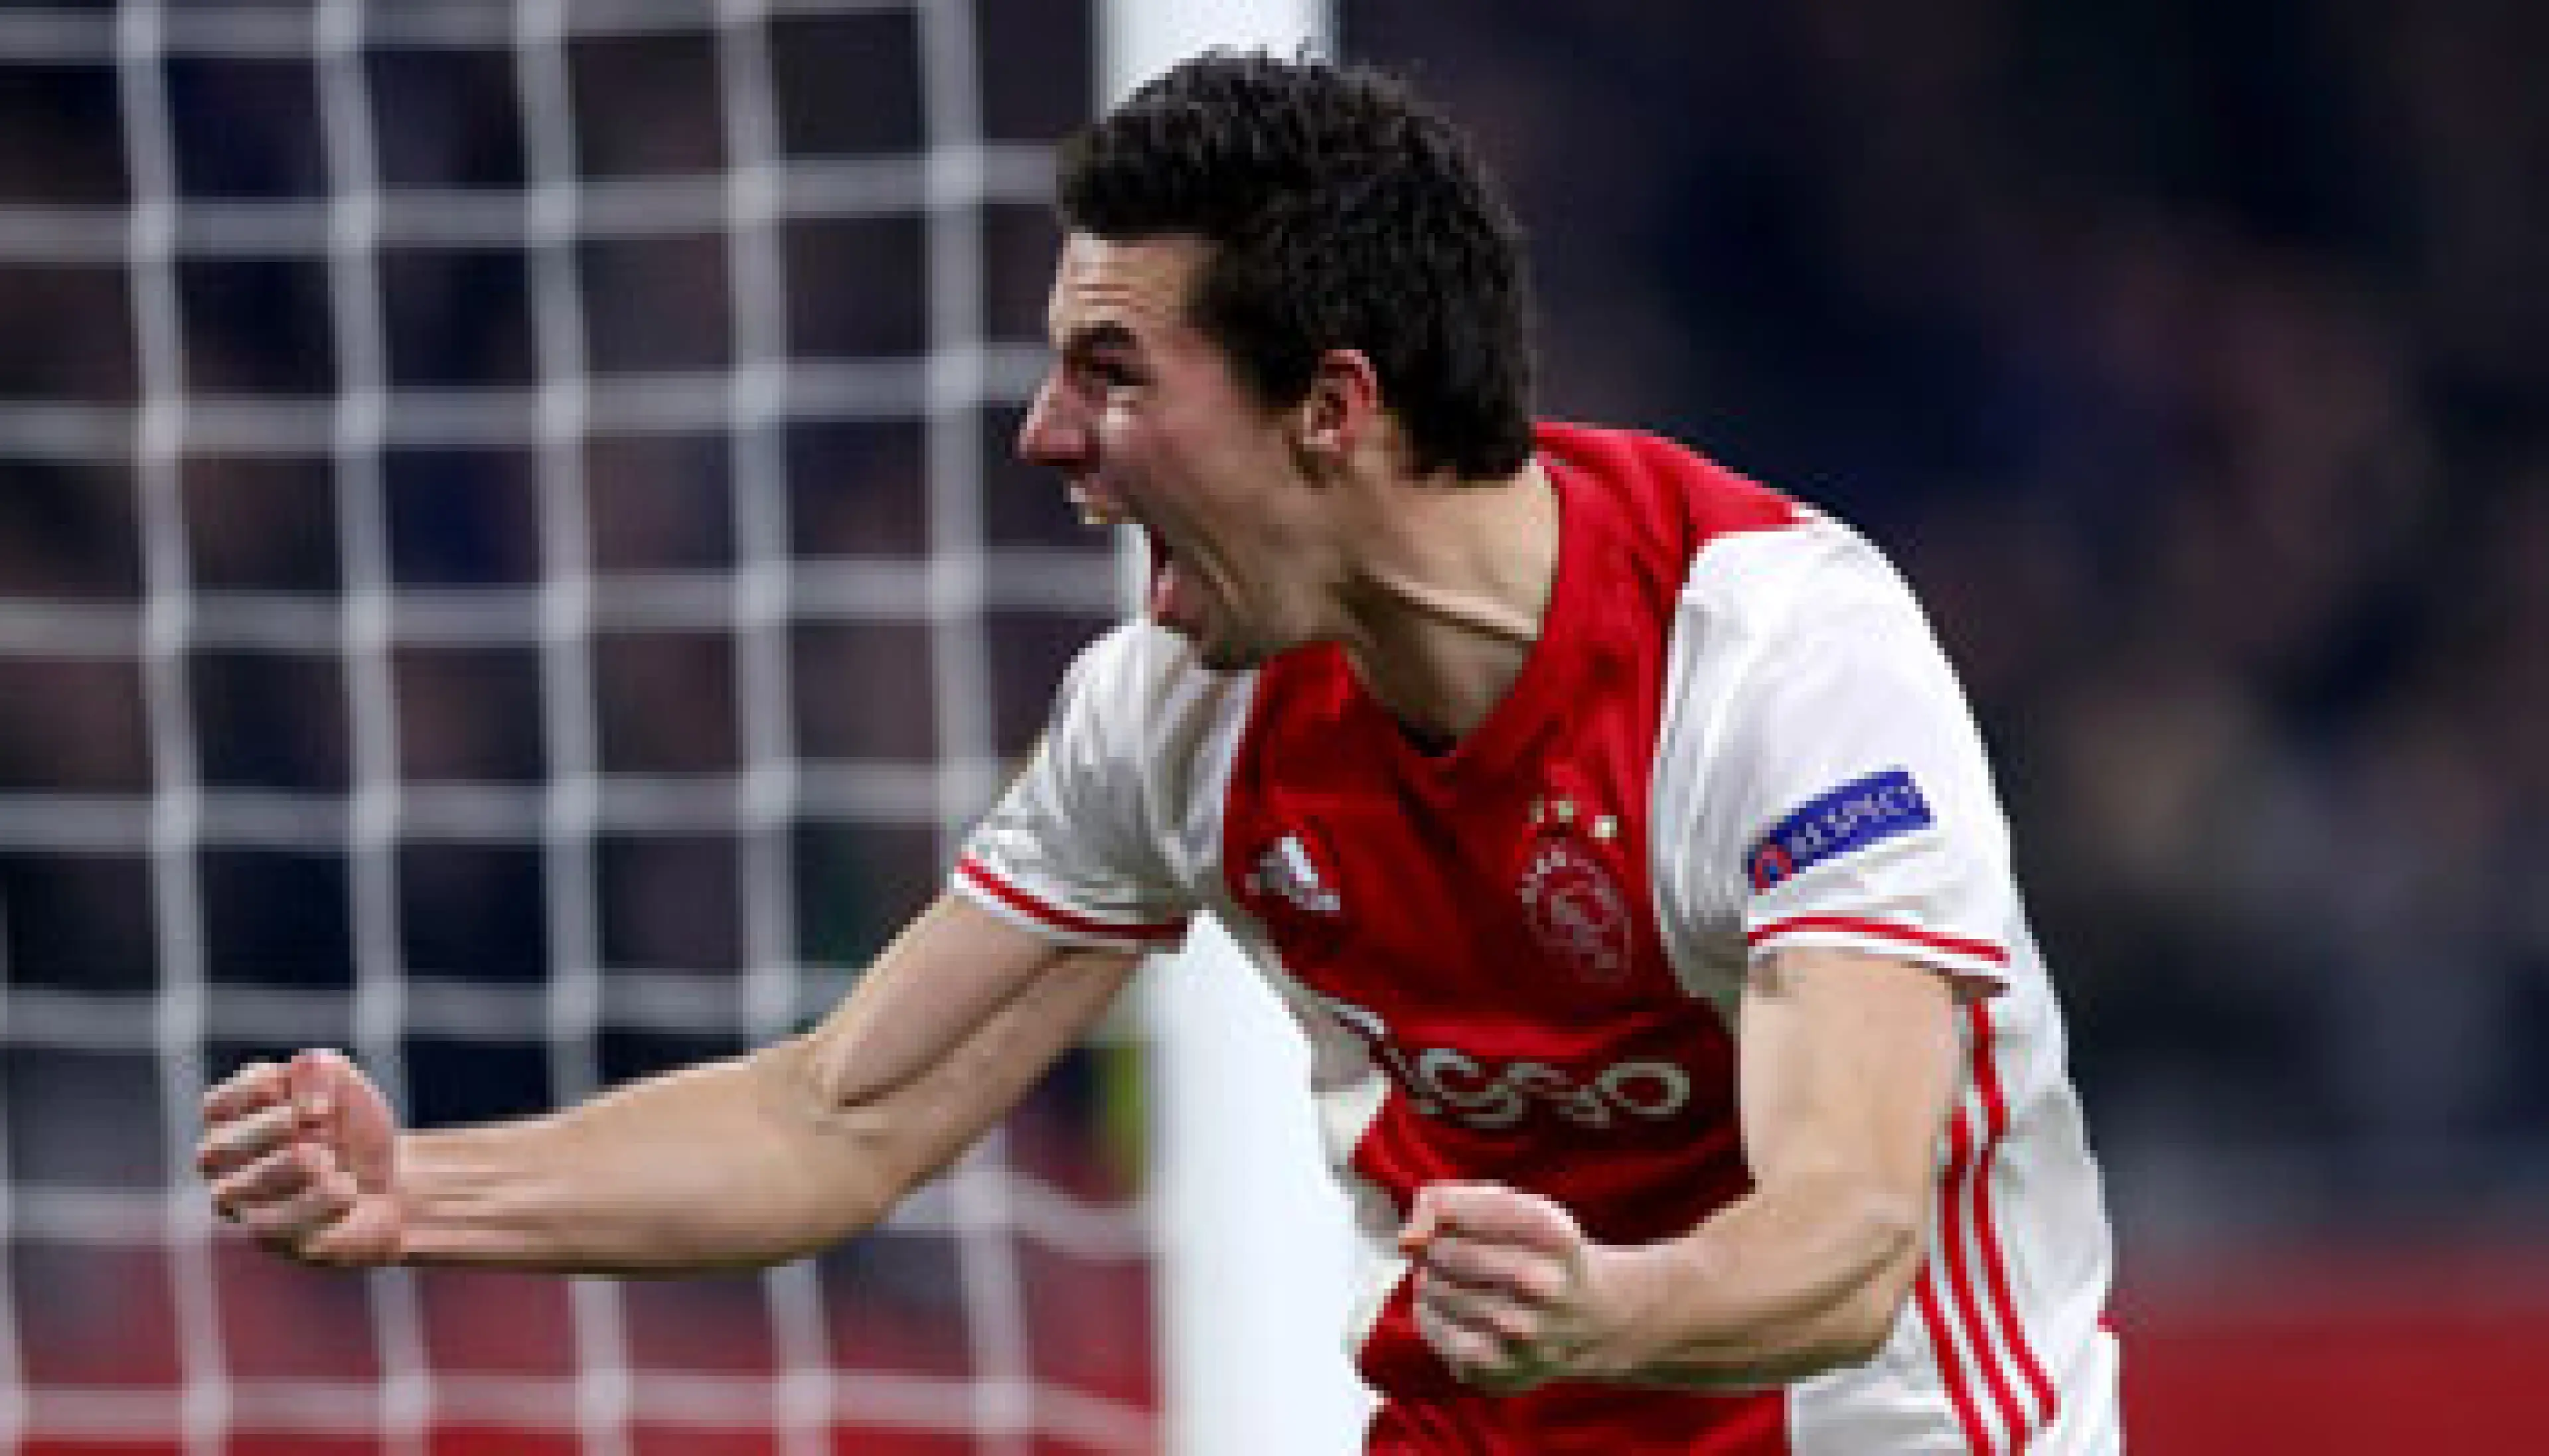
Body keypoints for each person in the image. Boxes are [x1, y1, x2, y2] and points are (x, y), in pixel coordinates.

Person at [199, 52, 2120, 1453]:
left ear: (1332, 409)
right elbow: (832, 1119)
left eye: (1112, 372)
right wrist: (414, 1197)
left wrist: (1608, 1305)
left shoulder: (1778, 662)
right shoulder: (1176, 707)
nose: (1044, 434)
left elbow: (1852, 1232)